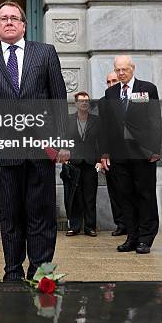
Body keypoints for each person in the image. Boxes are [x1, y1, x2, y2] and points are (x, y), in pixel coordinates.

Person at [0, 0, 69, 282]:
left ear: (24, 25)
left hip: (41, 149)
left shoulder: (45, 53)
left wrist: (63, 141)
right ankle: (12, 271)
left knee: (41, 213)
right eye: (4, 18)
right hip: (4, 152)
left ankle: (40, 271)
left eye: (15, 18)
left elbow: (58, 99)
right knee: (11, 215)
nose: (9, 22)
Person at [100, 55, 162, 254]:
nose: (120, 73)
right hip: (120, 154)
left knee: (145, 195)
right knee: (125, 196)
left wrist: (155, 149)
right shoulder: (110, 94)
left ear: (132, 68)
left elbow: (155, 120)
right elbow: (107, 126)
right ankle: (132, 237)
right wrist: (104, 153)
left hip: (143, 152)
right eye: (117, 70)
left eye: (124, 69)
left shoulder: (148, 89)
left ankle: (146, 238)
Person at [64, 91, 100, 238]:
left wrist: (99, 160)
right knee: (74, 196)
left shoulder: (97, 120)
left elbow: (101, 141)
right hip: (73, 164)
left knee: (90, 196)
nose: (84, 103)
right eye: (81, 101)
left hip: (90, 163)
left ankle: (90, 226)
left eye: (86, 101)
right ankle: (74, 226)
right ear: (76, 103)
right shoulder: (68, 120)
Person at [100, 72, 127, 236]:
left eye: (114, 81)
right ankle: (121, 223)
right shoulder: (104, 102)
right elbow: (103, 130)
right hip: (113, 155)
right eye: (108, 81)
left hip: (131, 154)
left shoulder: (130, 99)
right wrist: (104, 154)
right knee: (115, 190)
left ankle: (134, 224)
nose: (111, 84)